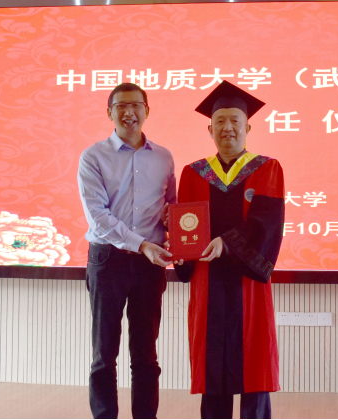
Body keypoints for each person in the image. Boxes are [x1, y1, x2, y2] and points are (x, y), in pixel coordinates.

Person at [174, 81, 285, 419]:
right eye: (220, 121)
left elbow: (265, 223)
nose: (228, 127)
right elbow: (186, 228)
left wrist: (226, 243)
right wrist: (176, 243)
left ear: (248, 127)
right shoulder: (194, 173)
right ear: (210, 130)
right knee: (212, 369)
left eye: (235, 120)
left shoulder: (266, 168)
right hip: (207, 281)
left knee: (253, 365)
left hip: (247, 284)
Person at [78, 83, 175, 419]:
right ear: (110, 112)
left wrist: (175, 223)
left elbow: (172, 206)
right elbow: (98, 216)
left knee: (146, 353)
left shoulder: (163, 157)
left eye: (136, 105)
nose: (129, 112)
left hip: (150, 266)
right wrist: (142, 244)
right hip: (107, 260)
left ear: (147, 110)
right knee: (104, 353)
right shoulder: (93, 157)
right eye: (121, 106)